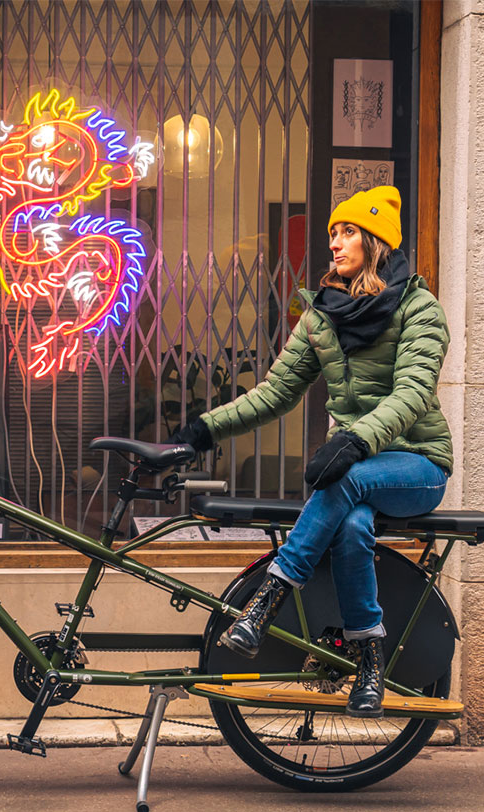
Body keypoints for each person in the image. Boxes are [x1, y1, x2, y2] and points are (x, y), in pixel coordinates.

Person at [172, 185, 452, 718]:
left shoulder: (420, 309)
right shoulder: (323, 315)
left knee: (346, 481)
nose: (335, 245)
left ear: (375, 241)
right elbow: (275, 393)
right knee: (350, 527)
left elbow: (413, 393)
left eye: (347, 232)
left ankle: (267, 601)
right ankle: (369, 661)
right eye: (333, 236)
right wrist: (203, 430)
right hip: (356, 468)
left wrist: (353, 440)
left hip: (416, 464)